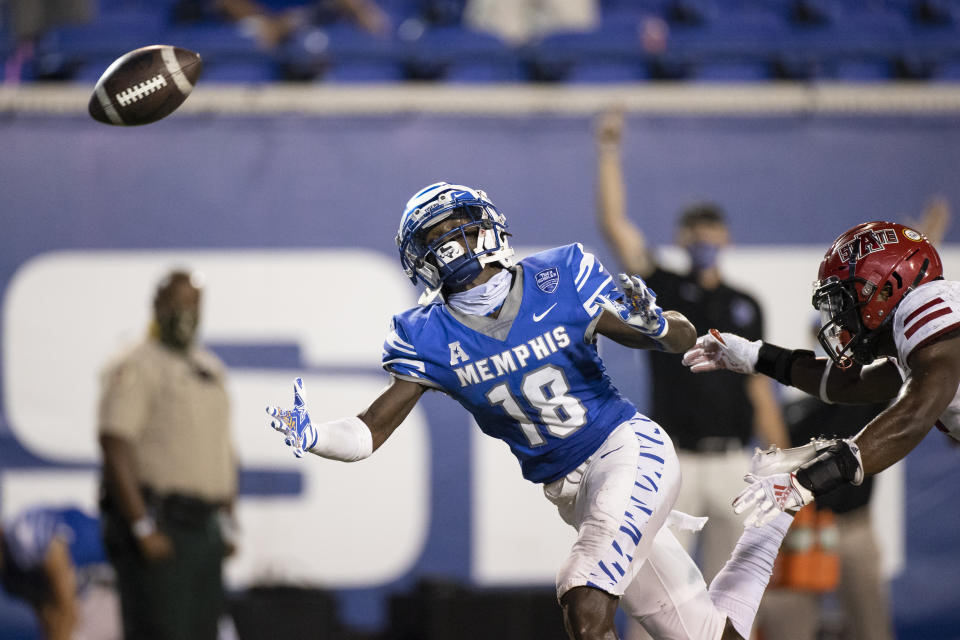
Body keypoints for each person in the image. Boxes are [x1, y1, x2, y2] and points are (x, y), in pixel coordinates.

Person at [265, 181, 798, 640]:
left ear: (486, 226)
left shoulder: (559, 274)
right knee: (698, 630)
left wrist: (655, 322)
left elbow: (676, 339)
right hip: (573, 491)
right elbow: (368, 432)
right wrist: (314, 436)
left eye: (458, 226)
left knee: (583, 590)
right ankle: (770, 524)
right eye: (435, 235)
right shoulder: (425, 336)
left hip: (627, 450)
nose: (452, 241)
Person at [595, 108, 789, 584]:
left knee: (731, 586)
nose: (704, 240)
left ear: (727, 239)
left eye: (711, 232)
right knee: (655, 585)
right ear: (683, 238)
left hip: (732, 460)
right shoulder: (664, 285)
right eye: (695, 233)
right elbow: (614, 224)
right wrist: (608, 150)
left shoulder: (745, 304)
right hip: (677, 457)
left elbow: (758, 388)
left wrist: (782, 462)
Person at [681, 220, 960, 527]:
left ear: (888, 288)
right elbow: (852, 384)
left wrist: (807, 481)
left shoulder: (930, 308)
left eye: (845, 300)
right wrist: (754, 356)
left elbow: (912, 416)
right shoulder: (919, 339)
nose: (841, 319)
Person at [97, 270, 239, 640]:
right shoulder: (136, 365)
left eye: (193, 304)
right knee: (160, 629)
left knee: (203, 631)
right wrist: (140, 524)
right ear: (158, 305)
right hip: (161, 522)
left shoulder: (209, 367)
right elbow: (115, 444)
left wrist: (227, 519)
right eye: (176, 304)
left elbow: (221, 448)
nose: (185, 314)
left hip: (205, 527)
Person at [0, 506, 119, 640]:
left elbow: (67, 609)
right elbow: (48, 615)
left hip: (117, 573)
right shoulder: (10, 578)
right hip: (90, 591)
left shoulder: (24, 533)